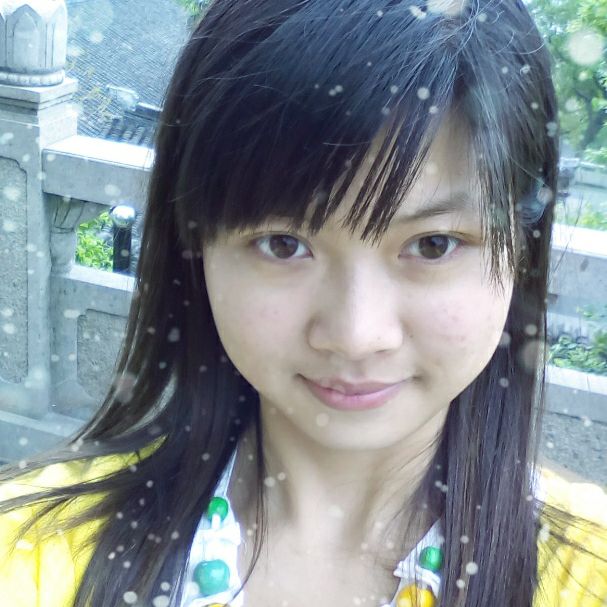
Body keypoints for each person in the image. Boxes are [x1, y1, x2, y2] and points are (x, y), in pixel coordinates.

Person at [0, 0, 606, 605]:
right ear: (196, 247)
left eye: (433, 244)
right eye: (283, 244)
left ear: (520, 250)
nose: (356, 334)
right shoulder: (29, 551)